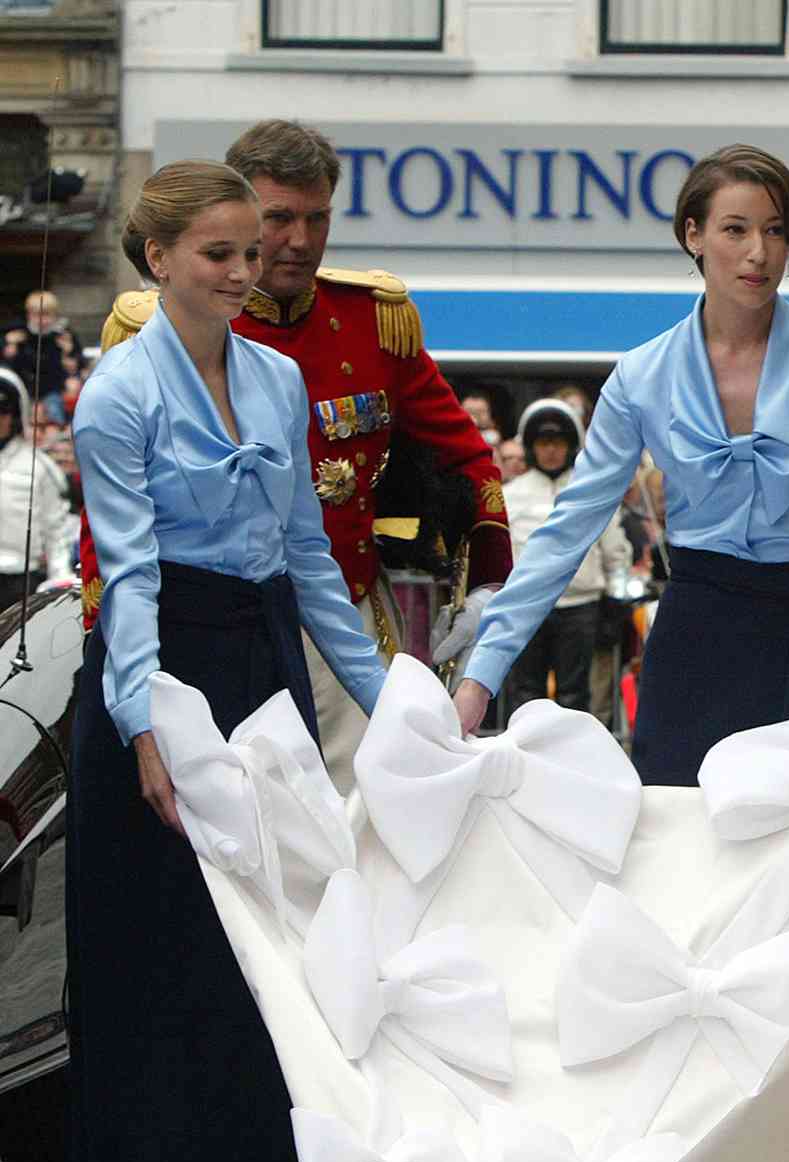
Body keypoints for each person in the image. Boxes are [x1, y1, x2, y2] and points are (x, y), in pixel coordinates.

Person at [65, 160, 393, 1162]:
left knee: (279, 957)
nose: (247, 272)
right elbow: (130, 573)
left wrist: (385, 694)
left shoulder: (280, 377)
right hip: (164, 678)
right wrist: (145, 722)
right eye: (220, 253)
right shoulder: (115, 396)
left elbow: (309, 555)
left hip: (261, 668)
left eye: (253, 251)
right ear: (158, 262)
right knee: (177, 970)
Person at [450, 145, 789, 783]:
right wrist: (483, 670)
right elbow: (569, 529)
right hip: (701, 630)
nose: (760, 251)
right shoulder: (643, 374)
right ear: (693, 236)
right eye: (736, 229)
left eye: (776, 231)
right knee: (682, 849)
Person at [86, 118, 511, 791]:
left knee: (364, 825)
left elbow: (465, 460)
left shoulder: (371, 320)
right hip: (183, 630)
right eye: (279, 219)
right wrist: (114, 656)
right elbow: (116, 539)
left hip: (345, 612)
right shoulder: (140, 349)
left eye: (318, 218)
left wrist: (489, 586)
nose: (300, 240)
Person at [499, 397, 630, 718]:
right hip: (526, 609)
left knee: (575, 698)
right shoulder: (510, 494)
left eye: (558, 442)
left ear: (571, 445)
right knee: (526, 697)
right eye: (543, 442)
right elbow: (500, 553)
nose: (551, 450)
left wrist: (616, 600)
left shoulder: (590, 490)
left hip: (580, 608)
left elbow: (615, 550)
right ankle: (525, 766)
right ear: (531, 446)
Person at [0, 366, 72, 600]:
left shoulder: (39, 466)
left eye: (3, 411)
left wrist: (59, 576)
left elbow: (55, 528)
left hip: (21, 579)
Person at [2, 291, 79, 426]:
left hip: (53, 390)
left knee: (55, 412)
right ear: (28, 314)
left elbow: (77, 363)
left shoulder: (63, 335)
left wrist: (68, 354)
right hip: (22, 390)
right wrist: (7, 345)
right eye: (36, 315)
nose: (41, 320)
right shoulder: (16, 330)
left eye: (47, 315)